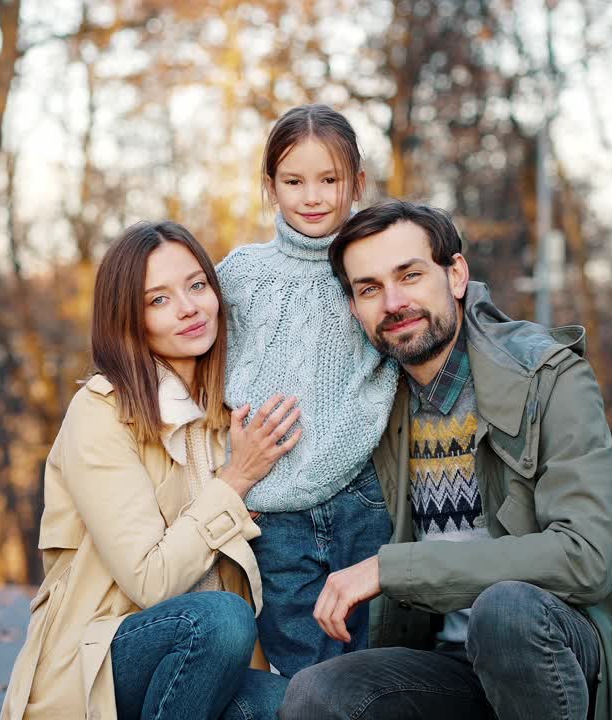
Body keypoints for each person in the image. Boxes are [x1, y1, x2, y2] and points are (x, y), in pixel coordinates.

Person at [279, 200, 612, 720]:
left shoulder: (547, 376)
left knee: (504, 612)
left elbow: (586, 558)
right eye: (369, 288)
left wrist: (391, 568)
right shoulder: (371, 406)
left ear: (456, 274)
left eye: (411, 275)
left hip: (562, 653)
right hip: (451, 665)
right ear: (355, 308)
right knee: (317, 694)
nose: (394, 302)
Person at [0, 222, 299, 720]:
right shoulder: (100, 413)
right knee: (220, 621)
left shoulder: (226, 415)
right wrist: (235, 479)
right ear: (129, 321)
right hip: (98, 670)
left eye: (197, 285)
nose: (188, 307)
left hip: (198, 672)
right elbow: (152, 581)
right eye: (158, 300)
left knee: (293, 704)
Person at [216, 104, 399, 677]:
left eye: (330, 180)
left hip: (362, 497)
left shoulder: (376, 267)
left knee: (370, 668)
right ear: (271, 186)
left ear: (357, 184)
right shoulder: (241, 273)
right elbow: (196, 351)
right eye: (294, 181)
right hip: (273, 511)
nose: (312, 196)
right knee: (306, 676)